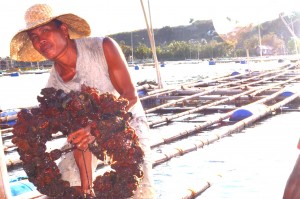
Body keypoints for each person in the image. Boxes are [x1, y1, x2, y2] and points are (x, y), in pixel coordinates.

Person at [10, 4, 155, 198]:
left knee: (139, 188)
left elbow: (130, 95)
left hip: (127, 121)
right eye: (34, 37)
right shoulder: (54, 88)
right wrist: (87, 189)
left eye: (45, 30)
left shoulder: (102, 48)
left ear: (63, 30)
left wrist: (96, 128)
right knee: (68, 183)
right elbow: (79, 138)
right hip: (87, 133)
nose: (40, 39)